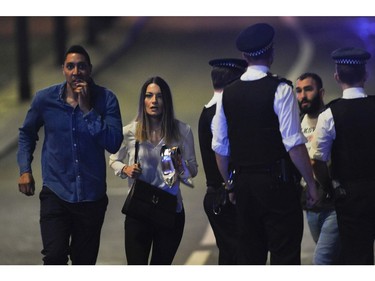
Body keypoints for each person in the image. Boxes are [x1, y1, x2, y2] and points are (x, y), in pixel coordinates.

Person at [212, 22, 318, 265]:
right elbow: (293, 144)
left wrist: (230, 185)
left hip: (244, 187)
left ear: (243, 56)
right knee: (285, 255)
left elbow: (220, 147)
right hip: (277, 186)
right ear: (271, 52)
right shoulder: (280, 89)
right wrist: (311, 183)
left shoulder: (227, 93)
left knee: (250, 256)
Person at [17, 44, 124, 265]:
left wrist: (87, 110)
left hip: (91, 198)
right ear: (63, 70)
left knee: (83, 262)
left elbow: (113, 144)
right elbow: (26, 134)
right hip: (56, 192)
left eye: (81, 66)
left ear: (90, 69)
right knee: (54, 257)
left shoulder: (106, 99)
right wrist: (25, 170)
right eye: (70, 66)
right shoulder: (44, 100)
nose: (76, 72)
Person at [109, 76, 198, 265]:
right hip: (139, 210)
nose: (154, 101)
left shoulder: (182, 131)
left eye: (159, 96)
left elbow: (193, 170)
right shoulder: (130, 132)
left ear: (166, 101)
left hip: (169, 210)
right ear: (143, 100)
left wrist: (179, 164)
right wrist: (126, 168)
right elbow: (113, 159)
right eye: (149, 96)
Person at [310, 47, 375, 265]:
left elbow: (316, 160)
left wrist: (328, 186)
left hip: (350, 195)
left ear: (336, 77)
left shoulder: (330, 114)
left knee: (357, 256)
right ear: (365, 75)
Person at [199, 58, 247, 264]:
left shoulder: (206, 110)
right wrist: (230, 186)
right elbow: (222, 154)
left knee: (229, 256)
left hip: (216, 196)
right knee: (240, 255)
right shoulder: (222, 113)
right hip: (227, 196)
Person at [295, 72, 340, 265]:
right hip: (311, 205)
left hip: (334, 203)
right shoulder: (295, 123)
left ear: (321, 92)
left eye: (308, 89)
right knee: (335, 258)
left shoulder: (332, 118)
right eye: (299, 91)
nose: (303, 95)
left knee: (321, 260)